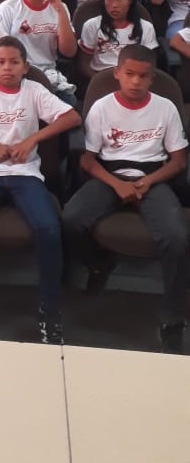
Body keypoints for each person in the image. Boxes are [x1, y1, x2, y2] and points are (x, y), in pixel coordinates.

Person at [0, 36, 80, 341]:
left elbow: (72, 117)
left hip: (25, 173)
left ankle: (49, 309)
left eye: (14, 62)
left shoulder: (34, 90)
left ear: (25, 67)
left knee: (48, 227)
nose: (7, 68)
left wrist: (32, 139)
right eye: (1, 62)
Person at [62, 45, 188, 355]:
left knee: (175, 237)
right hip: (109, 175)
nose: (135, 81)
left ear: (152, 78)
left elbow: (178, 161)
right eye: (129, 74)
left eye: (143, 76)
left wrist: (148, 181)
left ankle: (172, 318)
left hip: (152, 177)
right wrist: (116, 184)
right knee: (70, 220)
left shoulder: (165, 108)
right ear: (116, 73)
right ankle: (98, 263)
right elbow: (87, 160)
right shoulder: (102, 107)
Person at [0, 0, 77, 85]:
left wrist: (60, 11)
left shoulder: (61, 7)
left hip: (48, 74)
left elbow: (69, 51)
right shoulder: (8, 8)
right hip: (16, 73)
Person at [78, 0, 158, 77]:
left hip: (133, 79)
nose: (114, 5)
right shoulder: (91, 26)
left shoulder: (146, 27)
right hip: (101, 77)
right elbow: (84, 63)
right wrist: (97, 81)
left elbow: (150, 64)